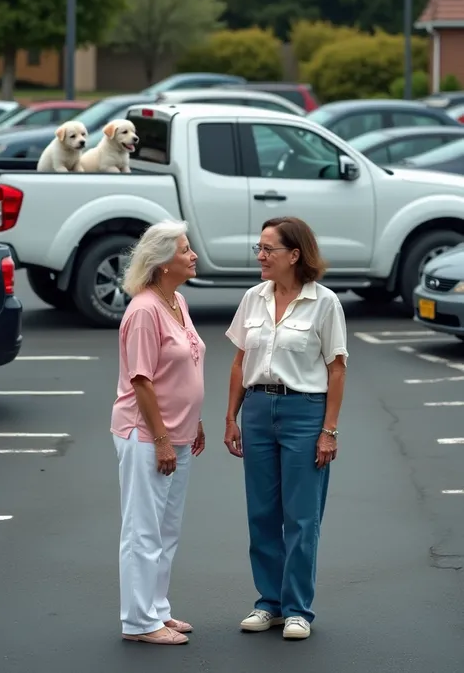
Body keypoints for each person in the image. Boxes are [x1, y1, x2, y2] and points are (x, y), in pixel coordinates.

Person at [224, 216, 348, 640]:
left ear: (294, 255)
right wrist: (231, 417)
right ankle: (268, 604)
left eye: (268, 249)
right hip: (257, 409)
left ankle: (297, 608)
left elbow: (337, 370)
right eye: (258, 248)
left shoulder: (325, 302)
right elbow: (240, 362)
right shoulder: (253, 298)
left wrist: (328, 430)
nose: (260, 256)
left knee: (301, 516)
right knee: (261, 513)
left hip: (304, 412)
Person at [111, 220, 206, 646]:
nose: (193, 256)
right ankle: (138, 621)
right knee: (143, 530)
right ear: (163, 262)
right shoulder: (145, 309)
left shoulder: (176, 300)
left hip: (178, 434)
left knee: (167, 530)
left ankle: (157, 610)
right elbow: (141, 380)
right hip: (146, 435)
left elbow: (184, 366)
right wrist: (164, 438)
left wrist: (193, 420)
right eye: (185, 250)